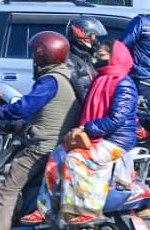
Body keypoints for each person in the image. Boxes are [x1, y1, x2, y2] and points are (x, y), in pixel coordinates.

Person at [0, 32, 80, 230]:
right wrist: (19, 126)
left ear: (42, 55)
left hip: (42, 148)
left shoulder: (50, 81)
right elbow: (45, 112)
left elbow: (24, 107)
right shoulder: (66, 75)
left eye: (34, 53)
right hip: (57, 145)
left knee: (6, 190)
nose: (32, 59)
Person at [24, 40, 138, 225]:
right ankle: (46, 210)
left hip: (117, 141)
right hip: (95, 137)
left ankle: (86, 210)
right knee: (58, 154)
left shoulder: (123, 84)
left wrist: (86, 128)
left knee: (76, 158)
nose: (96, 59)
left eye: (101, 56)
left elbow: (116, 120)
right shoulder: (100, 79)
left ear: (114, 58)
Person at [66, 16, 106, 104]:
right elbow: (83, 95)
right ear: (83, 35)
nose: (95, 39)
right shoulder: (71, 61)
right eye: (93, 36)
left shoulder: (86, 58)